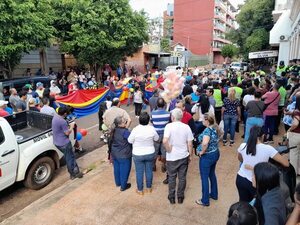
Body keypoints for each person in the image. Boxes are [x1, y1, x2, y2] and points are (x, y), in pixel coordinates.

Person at [236, 126, 289, 202]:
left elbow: (240, 159)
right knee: (259, 206)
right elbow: (286, 164)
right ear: (263, 136)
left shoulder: (243, 146)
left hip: (241, 178)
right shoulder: (268, 148)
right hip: (257, 181)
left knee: (244, 204)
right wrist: (285, 156)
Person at [163, 108, 194, 204]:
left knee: (172, 177)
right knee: (182, 177)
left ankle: (171, 197)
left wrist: (168, 149)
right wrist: (190, 155)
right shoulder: (186, 127)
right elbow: (190, 143)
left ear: (172, 117)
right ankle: (180, 196)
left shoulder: (168, 126)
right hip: (183, 155)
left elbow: (164, 141)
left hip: (172, 157)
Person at [128, 112, 159, 195]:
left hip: (138, 154)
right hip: (150, 153)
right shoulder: (151, 129)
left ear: (139, 120)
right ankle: (149, 188)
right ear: (148, 120)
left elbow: (130, 141)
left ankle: (140, 190)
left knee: (139, 172)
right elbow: (157, 138)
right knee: (149, 171)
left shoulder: (135, 129)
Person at [195, 115, 220, 207]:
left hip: (207, 156)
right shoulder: (215, 128)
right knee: (212, 174)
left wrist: (202, 151)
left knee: (204, 177)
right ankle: (214, 194)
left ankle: (205, 200)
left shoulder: (207, 131)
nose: (201, 121)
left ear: (207, 121)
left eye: (203, 120)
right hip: (215, 153)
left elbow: (205, 143)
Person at [52, 107, 83, 179]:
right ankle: (73, 174)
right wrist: (71, 126)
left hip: (57, 142)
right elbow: (67, 133)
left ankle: (75, 172)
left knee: (69, 157)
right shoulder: (62, 121)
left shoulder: (55, 117)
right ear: (65, 113)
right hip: (64, 143)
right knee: (70, 158)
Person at [109, 116, 132, 191]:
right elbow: (131, 140)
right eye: (124, 121)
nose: (125, 122)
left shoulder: (113, 130)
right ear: (120, 124)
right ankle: (123, 186)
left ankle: (118, 183)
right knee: (124, 170)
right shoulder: (125, 132)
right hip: (124, 154)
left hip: (115, 153)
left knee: (117, 168)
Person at [151, 98, 170, 175]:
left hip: (156, 134)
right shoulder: (168, 113)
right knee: (164, 151)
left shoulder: (153, 113)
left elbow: (152, 122)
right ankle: (163, 165)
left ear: (157, 105)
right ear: (164, 105)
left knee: (155, 151)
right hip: (165, 135)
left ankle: (153, 165)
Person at [287, 95, 300, 175]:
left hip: (296, 135)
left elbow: (295, 123)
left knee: (293, 153)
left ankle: (293, 173)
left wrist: (289, 129)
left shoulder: (297, 112)